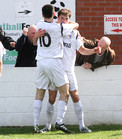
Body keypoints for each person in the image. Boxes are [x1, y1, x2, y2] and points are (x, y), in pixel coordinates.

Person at [39, 8, 101, 133]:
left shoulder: (75, 33)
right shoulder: (54, 29)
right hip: (56, 69)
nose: (64, 21)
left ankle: (81, 126)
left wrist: (94, 50)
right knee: (51, 98)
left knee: (75, 96)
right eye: (62, 18)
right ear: (57, 17)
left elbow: (82, 50)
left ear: (69, 20)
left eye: (66, 19)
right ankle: (48, 126)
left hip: (68, 70)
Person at [33, 4, 78, 134]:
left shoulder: (39, 23)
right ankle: (59, 122)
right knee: (65, 92)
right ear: (54, 15)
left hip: (40, 61)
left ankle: (35, 125)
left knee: (39, 93)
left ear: (42, 14)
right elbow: (76, 25)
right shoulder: (58, 28)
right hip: (54, 61)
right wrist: (71, 23)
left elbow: (35, 40)